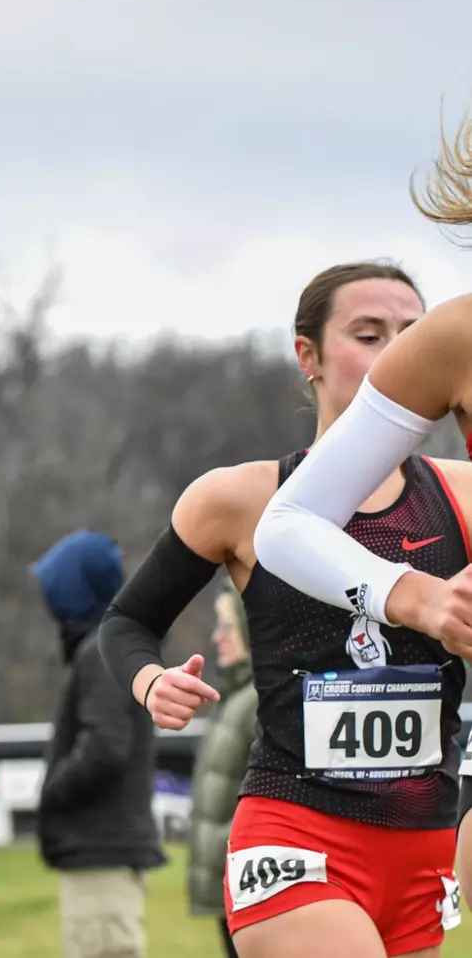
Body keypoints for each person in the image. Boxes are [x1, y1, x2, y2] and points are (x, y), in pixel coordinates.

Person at [97, 258, 469, 958]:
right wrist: (152, 683)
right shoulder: (239, 499)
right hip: (297, 833)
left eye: (413, 333)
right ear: (309, 356)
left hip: (422, 840)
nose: (399, 352)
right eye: (369, 333)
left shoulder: (460, 495)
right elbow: (126, 622)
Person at [33, 529, 166, 958]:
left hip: (101, 851)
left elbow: (105, 747)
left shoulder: (101, 651)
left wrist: (53, 792)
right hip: (101, 849)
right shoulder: (110, 646)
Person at [184, 580, 258, 958]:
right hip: (232, 890)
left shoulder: (260, 701)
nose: (216, 637)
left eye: (227, 627)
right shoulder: (235, 698)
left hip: (252, 887)